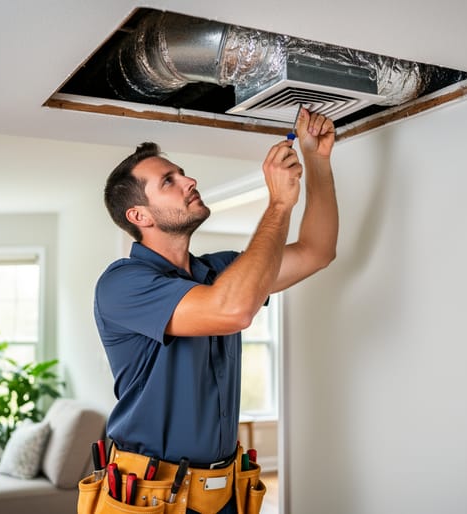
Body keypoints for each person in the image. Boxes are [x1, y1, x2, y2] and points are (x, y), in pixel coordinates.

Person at [93, 108, 338, 514]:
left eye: (181, 174)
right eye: (168, 181)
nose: (189, 181)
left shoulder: (219, 271)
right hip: (150, 496)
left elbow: (316, 251)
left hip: (223, 493)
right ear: (139, 216)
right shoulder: (122, 284)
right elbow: (233, 311)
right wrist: (279, 204)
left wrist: (317, 160)